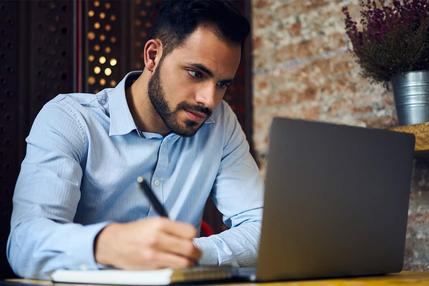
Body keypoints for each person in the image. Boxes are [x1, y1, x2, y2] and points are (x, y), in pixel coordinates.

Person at [7, 0, 263, 279]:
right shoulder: (70, 119)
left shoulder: (220, 123)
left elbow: (261, 228)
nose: (209, 100)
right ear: (153, 56)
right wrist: (106, 244)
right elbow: (24, 245)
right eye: (196, 73)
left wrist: (186, 254)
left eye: (222, 84)